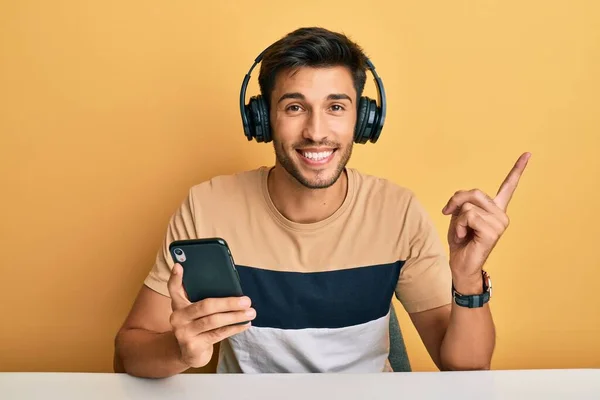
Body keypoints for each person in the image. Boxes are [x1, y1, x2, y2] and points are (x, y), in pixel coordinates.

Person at [113, 26, 530, 378]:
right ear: (262, 118)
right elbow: (128, 351)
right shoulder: (207, 205)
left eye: (335, 107)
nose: (316, 131)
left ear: (363, 120)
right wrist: (180, 352)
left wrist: (468, 277)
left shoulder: (397, 211)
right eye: (295, 107)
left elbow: (466, 368)